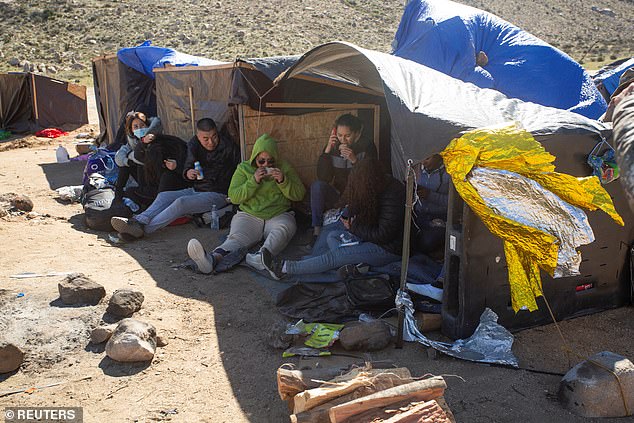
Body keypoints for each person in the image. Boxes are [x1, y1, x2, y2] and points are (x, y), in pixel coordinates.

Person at [259, 157, 405, 280]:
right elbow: (362, 202)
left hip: (388, 249)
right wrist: (348, 212)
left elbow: (384, 235)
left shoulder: (393, 194)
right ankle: (351, 268)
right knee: (332, 236)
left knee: (335, 256)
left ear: (370, 182)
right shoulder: (375, 187)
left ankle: (283, 268)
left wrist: (354, 228)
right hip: (371, 238)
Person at [187, 134, 306, 274]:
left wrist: (283, 181)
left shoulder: (284, 168)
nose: (266, 165)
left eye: (270, 161)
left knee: (283, 230)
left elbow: (299, 195)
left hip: (278, 214)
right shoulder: (244, 168)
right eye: (261, 161)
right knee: (237, 239)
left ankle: (261, 257)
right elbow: (234, 197)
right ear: (255, 158)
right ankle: (211, 259)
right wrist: (253, 181)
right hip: (249, 214)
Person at [110, 118, 240, 238]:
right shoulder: (194, 144)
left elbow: (223, 175)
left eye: (214, 137)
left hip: (219, 194)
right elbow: (187, 166)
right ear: (198, 136)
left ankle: (142, 230)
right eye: (205, 139)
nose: (211, 142)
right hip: (198, 190)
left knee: (181, 203)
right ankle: (139, 220)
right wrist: (187, 172)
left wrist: (199, 172)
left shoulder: (227, 147)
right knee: (165, 196)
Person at [310, 114, 377, 237]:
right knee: (317, 186)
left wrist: (354, 160)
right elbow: (324, 178)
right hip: (339, 195)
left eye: (347, 136)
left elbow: (371, 177)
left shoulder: (367, 146)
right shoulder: (333, 146)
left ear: (357, 133)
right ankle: (316, 230)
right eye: (340, 135)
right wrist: (327, 150)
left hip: (358, 196)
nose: (343, 140)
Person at [113, 111, 162, 209]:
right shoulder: (133, 141)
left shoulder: (153, 138)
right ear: (131, 129)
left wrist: (131, 156)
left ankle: (141, 199)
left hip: (155, 180)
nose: (140, 129)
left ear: (147, 125)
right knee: (125, 166)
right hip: (142, 178)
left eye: (142, 125)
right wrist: (128, 159)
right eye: (135, 126)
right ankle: (118, 194)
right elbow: (119, 157)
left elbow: (145, 159)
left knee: (136, 165)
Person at [413, 153, 449, 255]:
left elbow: (454, 203)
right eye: (422, 159)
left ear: (438, 156)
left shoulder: (449, 174)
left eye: (428, 158)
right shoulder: (417, 171)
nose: (424, 162)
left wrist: (430, 195)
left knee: (426, 243)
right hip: (419, 215)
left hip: (440, 218)